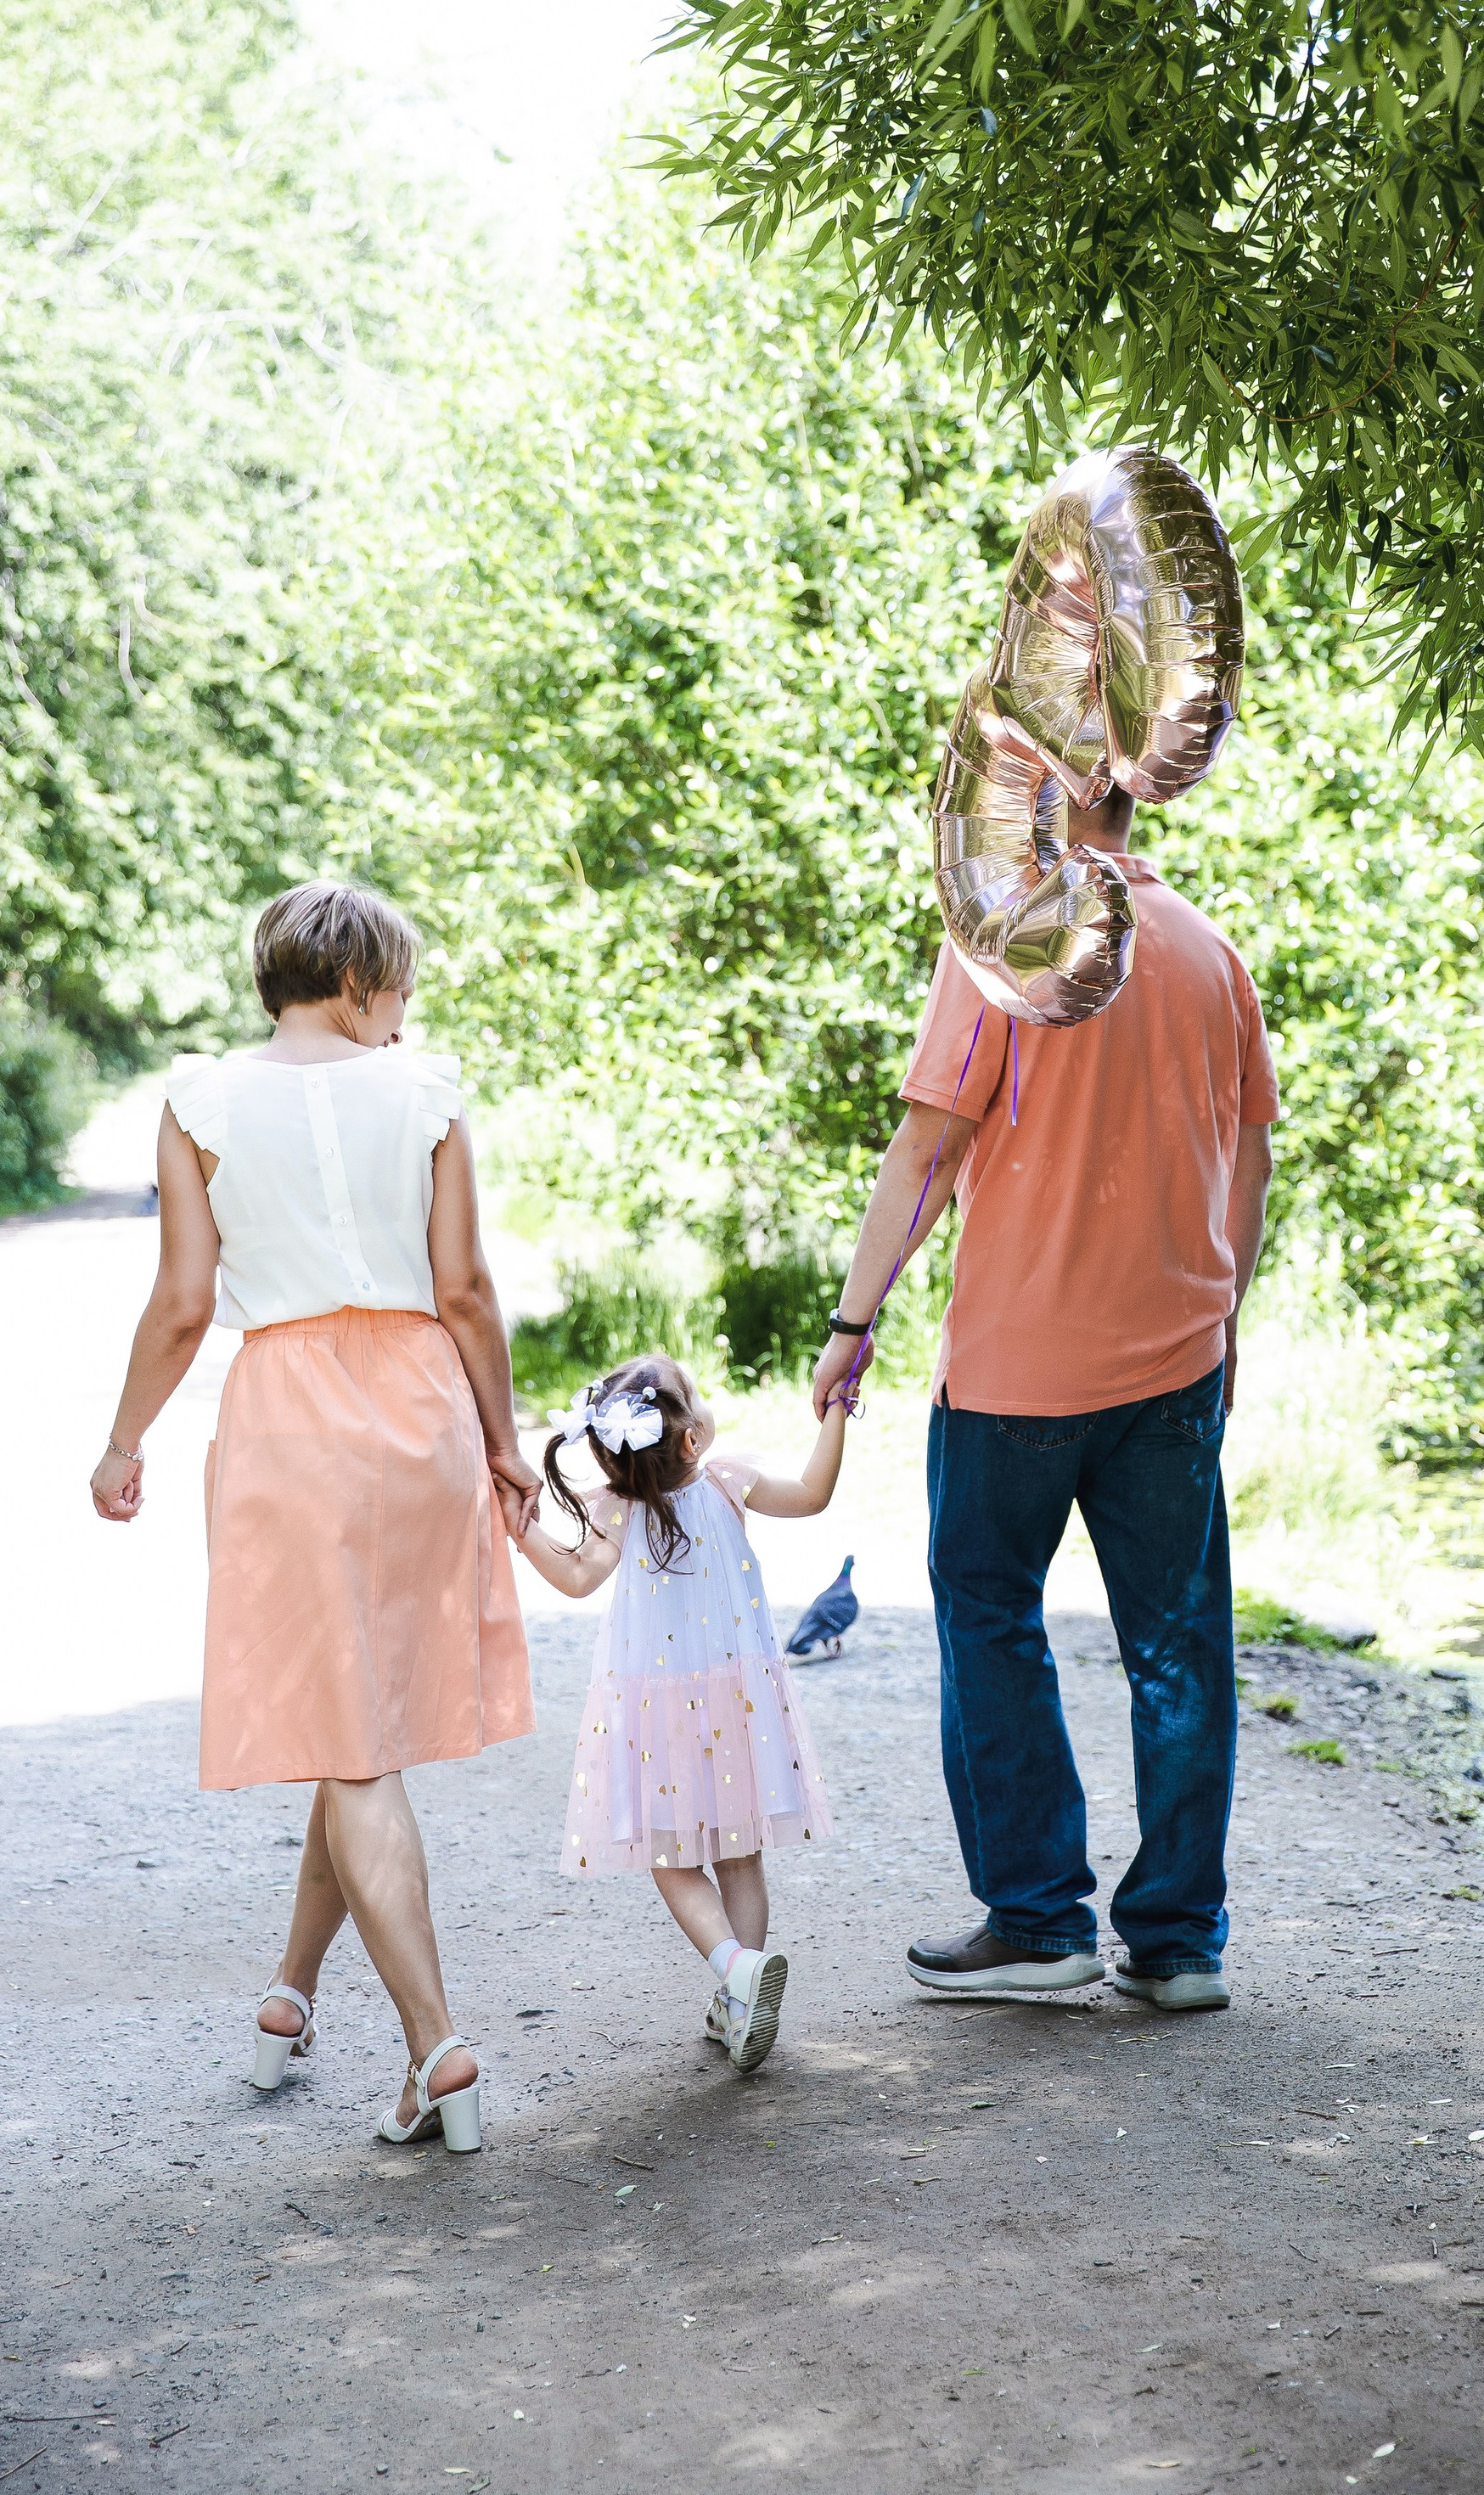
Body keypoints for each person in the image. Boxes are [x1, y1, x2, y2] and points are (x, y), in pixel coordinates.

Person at [88, 879, 540, 2155]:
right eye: (396, 990)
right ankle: (292, 1996)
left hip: (291, 1417)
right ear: (356, 986)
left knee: (353, 1743)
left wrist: (125, 1442)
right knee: (363, 1734)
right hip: (420, 1415)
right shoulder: (431, 1092)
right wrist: (504, 1446)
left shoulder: (196, 1102)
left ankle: (436, 2045)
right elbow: (465, 1288)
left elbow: (184, 1303)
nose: (403, 1015)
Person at [812, 786, 1276, 2011]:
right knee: (1176, 1649)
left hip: (1017, 1369)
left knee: (989, 1614)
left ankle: (1037, 1924)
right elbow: (1252, 1153)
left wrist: (853, 1323)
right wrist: (1222, 1315)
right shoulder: (1209, 952)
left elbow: (925, 1149)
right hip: (1176, 1363)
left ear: (1052, 800)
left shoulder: (1009, 939)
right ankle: (1180, 1947)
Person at [514, 1353, 840, 2075]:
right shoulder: (731, 1482)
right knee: (740, 1853)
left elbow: (574, 1578)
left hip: (653, 1716)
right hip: (738, 1706)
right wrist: (840, 1410)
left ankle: (736, 1973)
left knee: (671, 1860)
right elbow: (814, 1493)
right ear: (691, 1438)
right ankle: (743, 1987)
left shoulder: (615, 1507)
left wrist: (521, 1529)